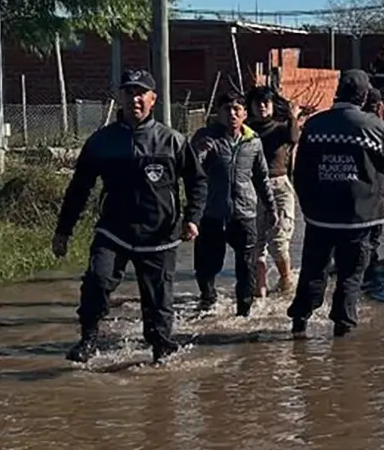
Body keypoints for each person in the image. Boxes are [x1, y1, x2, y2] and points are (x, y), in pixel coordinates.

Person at [52, 69, 208, 364]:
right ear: (120, 97)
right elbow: (79, 188)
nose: (135, 99)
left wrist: (192, 218)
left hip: (160, 234)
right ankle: (88, 339)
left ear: (153, 98)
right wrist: (64, 230)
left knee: (158, 301)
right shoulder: (101, 142)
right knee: (97, 281)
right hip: (114, 230)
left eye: (141, 93)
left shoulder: (172, 141)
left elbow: (197, 181)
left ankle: (161, 349)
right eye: (129, 92)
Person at [287, 70, 384, 338]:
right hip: (361, 216)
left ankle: (300, 321)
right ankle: (342, 331)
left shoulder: (314, 125)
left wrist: (308, 205)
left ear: (337, 91)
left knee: (313, 269)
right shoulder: (373, 126)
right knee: (351, 274)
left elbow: (299, 170)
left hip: (319, 215)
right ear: (365, 95)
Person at [190, 91, 277, 316]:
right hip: (212, 212)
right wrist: (199, 153)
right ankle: (208, 299)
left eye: (237, 109)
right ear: (218, 113)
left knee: (246, 266)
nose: (232, 114)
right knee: (207, 264)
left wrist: (270, 207)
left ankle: (244, 312)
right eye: (227, 109)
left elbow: (261, 177)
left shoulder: (253, 141)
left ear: (245, 114)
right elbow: (190, 171)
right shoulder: (206, 137)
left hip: (244, 212)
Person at [245, 85, 300, 297]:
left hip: (278, 186)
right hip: (252, 188)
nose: (261, 107)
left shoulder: (281, 128)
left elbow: (294, 138)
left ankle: (286, 282)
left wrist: (293, 116)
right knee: (255, 244)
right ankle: (260, 292)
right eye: (257, 103)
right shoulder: (246, 130)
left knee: (278, 243)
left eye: (265, 103)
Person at [361, 87, 384, 283]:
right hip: (373, 191)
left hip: (370, 190)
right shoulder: (379, 127)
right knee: (370, 238)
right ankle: (369, 275)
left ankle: (367, 272)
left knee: (367, 238)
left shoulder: (362, 124)